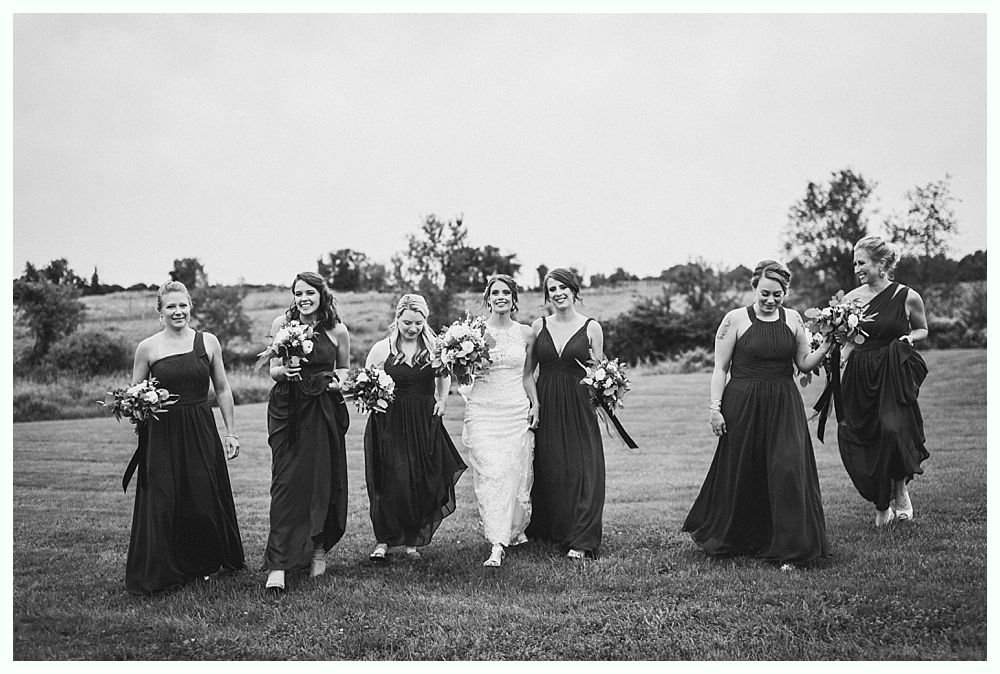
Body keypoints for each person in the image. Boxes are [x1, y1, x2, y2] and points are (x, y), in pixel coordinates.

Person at [682, 260, 831, 566]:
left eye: (777, 294)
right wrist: (715, 409)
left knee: (787, 469)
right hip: (743, 404)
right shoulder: (734, 320)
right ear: (753, 287)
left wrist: (829, 341)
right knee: (744, 471)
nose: (770, 300)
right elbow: (720, 369)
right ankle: (742, 537)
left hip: (783, 403)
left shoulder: (793, 319)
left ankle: (791, 547)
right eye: (765, 293)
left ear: (785, 292)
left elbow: (804, 363)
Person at [124, 281, 244, 595]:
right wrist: (139, 406)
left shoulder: (208, 342)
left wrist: (230, 432)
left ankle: (202, 563)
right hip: (162, 433)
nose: (178, 312)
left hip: (200, 427)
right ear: (160, 312)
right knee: (164, 499)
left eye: (182, 305)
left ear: (190, 306)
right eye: (171, 307)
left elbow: (222, 389)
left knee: (202, 498)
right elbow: (133, 394)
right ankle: (165, 568)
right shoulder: (148, 347)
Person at [262, 272, 351, 594]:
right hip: (289, 408)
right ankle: (278, 564)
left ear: (321, 294)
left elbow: (343, 369)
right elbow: (272, 369)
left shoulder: (337, 330)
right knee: (285, 485)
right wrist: (282, 371)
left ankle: (317, 550)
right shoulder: (280, 325)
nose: (303, 298)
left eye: (309, 292)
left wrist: (341, 382)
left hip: (324, 410)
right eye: (298, 293)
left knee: (321, 482)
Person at [363, 294, 467, 561]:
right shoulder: (381, 349)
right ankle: (383, 540)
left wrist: (442, 400)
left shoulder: (434, 348)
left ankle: (412, 539)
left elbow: (444, 377)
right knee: (389, 478)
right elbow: (366, 383)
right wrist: (374, 401)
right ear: (397, 318)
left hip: (423, 417)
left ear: (425, 320)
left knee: (420, 478)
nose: (413, 328)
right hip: (389, 421)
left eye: (419, 323)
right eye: (407, 322)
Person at [838, 236, 929, 526]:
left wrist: (909, 338)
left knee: (893, 431)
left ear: (881, 264)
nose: (856, 268)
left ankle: (900, 492)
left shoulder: (908, 296)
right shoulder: (850, 299)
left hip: (893, 371)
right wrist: (838, 360)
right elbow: (850, 341)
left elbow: (923, 329)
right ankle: (881, 505)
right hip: (860, 373)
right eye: (854, 263)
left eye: (861, 262)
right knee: (867, 437)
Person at [526, 268, 606, 560]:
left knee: (585, 468)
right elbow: (527, 374)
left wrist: (607, 391)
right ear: (547, 294)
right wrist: (534, 404)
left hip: (579, 404)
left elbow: (599, 372)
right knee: (552, 467)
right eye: (552, 289)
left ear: (574, 290)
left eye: (563, 287)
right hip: (546, 400)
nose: (558, 293)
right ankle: (554, 528)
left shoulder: (592, 327)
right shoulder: (538, 326)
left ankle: (582, 539)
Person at [461, 275, 539, 567]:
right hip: (483, 409)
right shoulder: (473, 333)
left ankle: (507, 533)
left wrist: (536, 404)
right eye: (496, 293)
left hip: (515, 409)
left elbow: (528, 374)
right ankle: (497, 542)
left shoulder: (527, 333)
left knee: (511, 473)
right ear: (488, 298)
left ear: (514, 298)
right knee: (491, 471)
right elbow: (462, 375)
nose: (501, 297)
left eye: (506, 292)